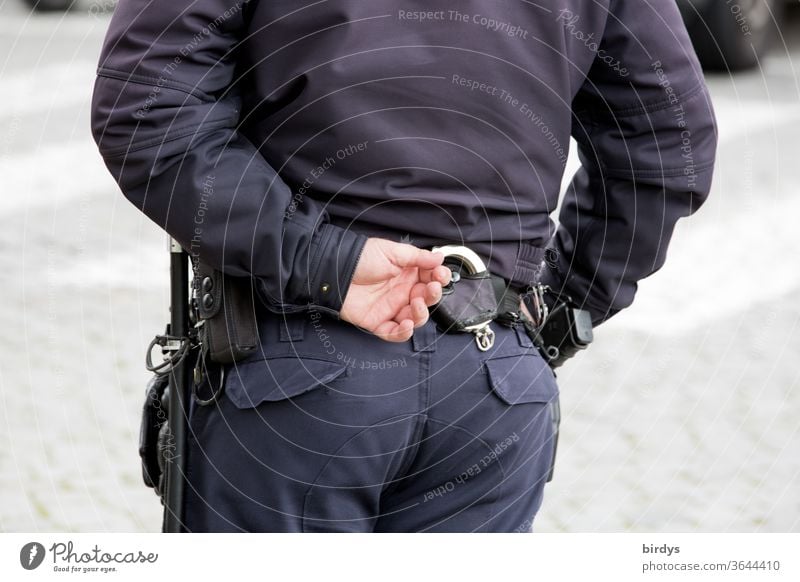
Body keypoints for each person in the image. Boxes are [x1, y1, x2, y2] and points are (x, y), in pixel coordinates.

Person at [91, 0, 716, 532]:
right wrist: (553, 311)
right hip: (491, 374)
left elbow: (146, 105)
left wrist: (322, 260)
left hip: (295, 370)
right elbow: (666, 136)